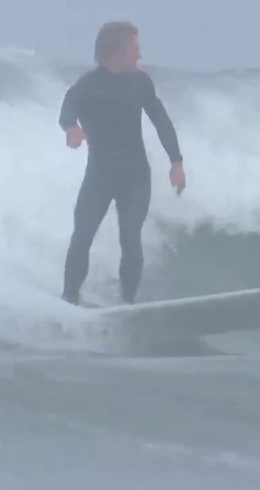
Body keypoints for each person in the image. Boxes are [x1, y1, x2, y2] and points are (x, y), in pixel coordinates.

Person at [57, 21, 186, 306]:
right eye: (135, 49)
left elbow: (161, 121)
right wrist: (71, 129)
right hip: (99, 178)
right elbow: (67, 110)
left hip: (135, 177)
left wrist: (176, 161)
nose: (139, 55)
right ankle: (68, 302)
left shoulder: (140, 83)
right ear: (117, 52)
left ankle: (128, 305)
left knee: (130, 239)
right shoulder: (87, 86)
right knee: (82, 238)